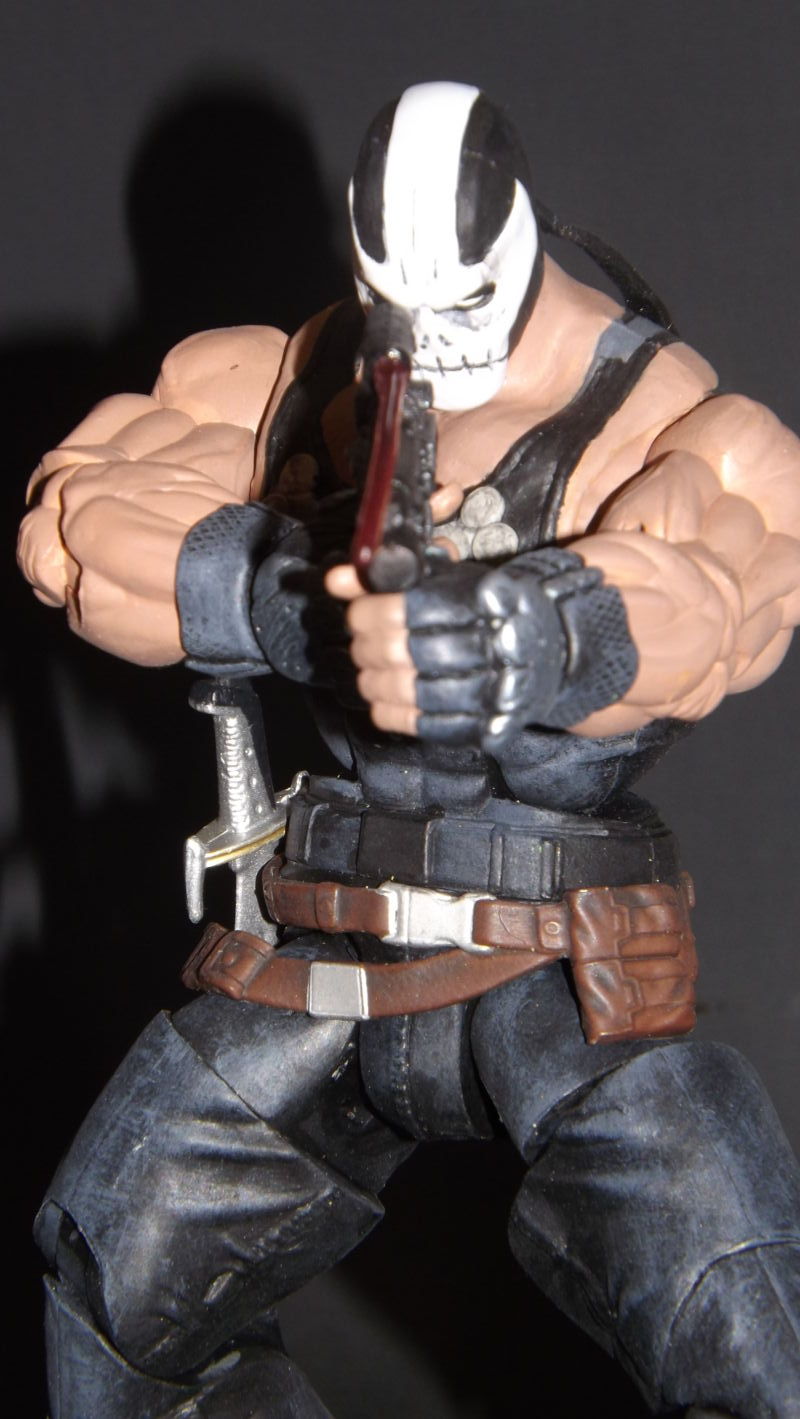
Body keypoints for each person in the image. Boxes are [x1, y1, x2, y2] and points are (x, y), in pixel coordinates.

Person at [18, 81, 800, 1419]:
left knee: (742, 1314)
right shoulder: (306, 374)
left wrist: (529, 637)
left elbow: (722, 595)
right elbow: (74, 534)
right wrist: (278, 592)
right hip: (326, 938)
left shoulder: (661, 417)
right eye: (400, 299)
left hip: (556, 954)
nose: (431, 337)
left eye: (463, 301)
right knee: (117, 1281)